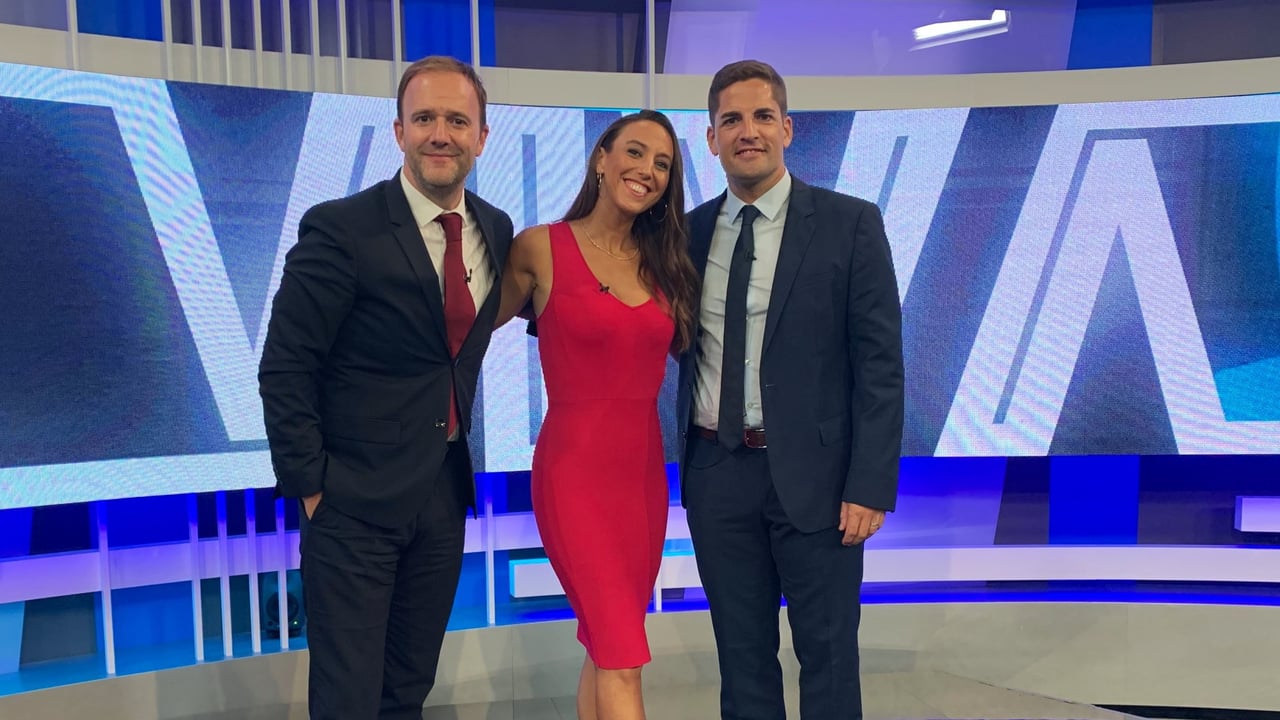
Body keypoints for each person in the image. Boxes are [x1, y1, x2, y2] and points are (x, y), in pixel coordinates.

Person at [258, 56, 513, 720]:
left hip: (442, 496)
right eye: (424, 118)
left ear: (482, 137)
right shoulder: (342, 227)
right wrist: (312, 489)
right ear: (399, 131)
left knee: (407, 689)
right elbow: (285, 366)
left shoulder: (495, 228)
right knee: (348, 699)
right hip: (350, 503)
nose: (440, 134)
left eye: (457, 120)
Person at [675, 60, 905, 720]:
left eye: (762, 116)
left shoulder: (849, 222)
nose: (747, 131)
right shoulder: (685, 234)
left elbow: (880, 365)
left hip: (821, 482)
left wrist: (869, 484)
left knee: (828, 657)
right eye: (731, 120)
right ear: (711, 138)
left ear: (788, 128)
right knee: (741, 658)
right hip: (716, 475)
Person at [497, 109, 698, 720]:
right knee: (622, 656)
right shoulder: (540, 247)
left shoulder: (667, 264)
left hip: (642, 480)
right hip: (574, 476)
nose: (647, 170)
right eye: (634, 152)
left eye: (662, 163)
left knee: (608, 647)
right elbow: (461, 336)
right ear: (601, 159)